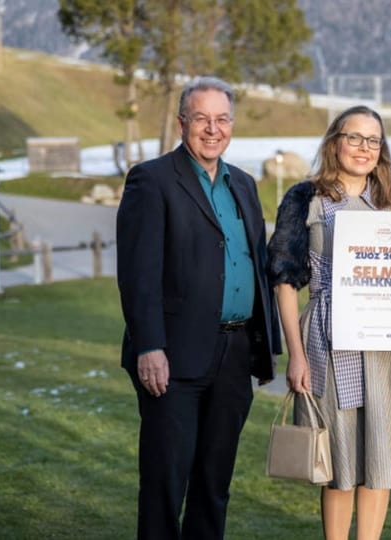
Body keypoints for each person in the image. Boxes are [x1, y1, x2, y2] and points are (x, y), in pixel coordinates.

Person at [267, 105, 391, 540]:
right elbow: (285, 281)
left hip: (385, 347)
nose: (363, 148)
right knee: (340, 462)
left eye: (373, 140)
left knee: (377, 460)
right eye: (354, 137)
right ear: (334, 142)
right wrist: (297, 354)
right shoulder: (304, 198)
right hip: (329, 341)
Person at [116, 76, 281, 540]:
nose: (213, 129)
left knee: (214, 484)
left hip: (233, 355)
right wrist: (150, 345)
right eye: (202, 119)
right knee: (166, 483)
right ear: (182, 121)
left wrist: (265, 345)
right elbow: (138, 273)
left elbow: (258, 263)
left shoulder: (244, 185)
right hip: (173, 357)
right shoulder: (152, 180)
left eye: (222, 119)